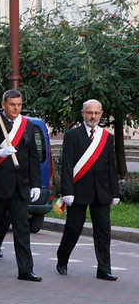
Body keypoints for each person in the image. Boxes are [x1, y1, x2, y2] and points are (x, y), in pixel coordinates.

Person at [0, 90, 42, 281]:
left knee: (22, 229)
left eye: (19, 105)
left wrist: (35, 184)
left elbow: (33, 156)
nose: (16, 108)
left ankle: (25, 270)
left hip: (20, 186)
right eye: (12, 104)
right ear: (3, 104)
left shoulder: (27, 125)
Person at [56, 99, 121, 280]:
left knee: (103, 230)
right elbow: (67, 165)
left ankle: (104, 269)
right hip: (78, 191)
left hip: (102, 192)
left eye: (96, 113)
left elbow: (111, 166)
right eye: (89, 112)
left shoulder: (107, 137)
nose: (93, 116)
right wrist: (67, 191)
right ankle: (62, 258)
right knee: (73, 228)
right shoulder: (72, 135)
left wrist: (114, 193)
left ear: (101, 114)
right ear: (82, 113)